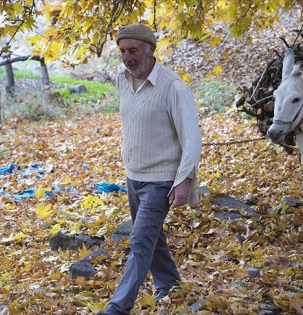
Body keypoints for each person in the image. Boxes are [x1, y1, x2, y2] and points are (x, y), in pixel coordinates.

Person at [98, 23, 202, 315]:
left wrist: (184, 180)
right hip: (134, 177)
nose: (127, 57)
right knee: (152, 238)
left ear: (150, 50)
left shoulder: (173, 87)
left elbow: (192, 138)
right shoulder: (122, 79)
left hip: (161, 181)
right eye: (122, 51)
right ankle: (170, 284)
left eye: (133, 50)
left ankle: (118, 307)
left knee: (141, 240)